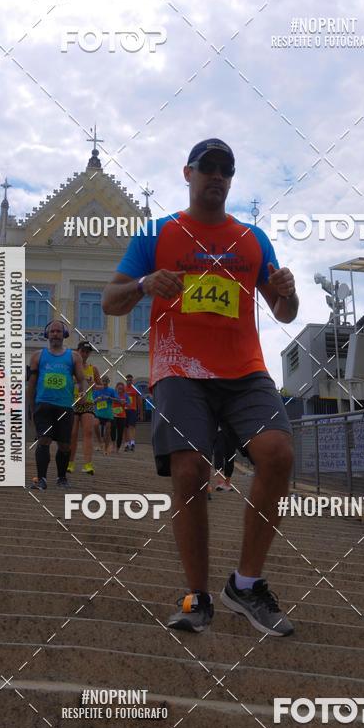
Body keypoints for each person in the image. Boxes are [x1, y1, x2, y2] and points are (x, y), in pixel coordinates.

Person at [102, 138, 298, 637]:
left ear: (231, 179)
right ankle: (197, 595)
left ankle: (246, 585)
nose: (216, 175)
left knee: (277, 454)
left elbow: (283, 312)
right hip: (180, 369)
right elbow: (110, 301)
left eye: (225, 168)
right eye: (206, 167)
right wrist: (146, 284)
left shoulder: (252, 240)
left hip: (244, 369)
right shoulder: (157, 234)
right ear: (187, 174)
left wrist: (289, 295)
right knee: (189, 470)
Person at [26, 320, 85, 491]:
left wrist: (82, 393)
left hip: (65, 406)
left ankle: (62, 477)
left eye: (59, 331)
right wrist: (30, 407)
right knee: (43, 440)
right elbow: (32, 383)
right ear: (47, 334)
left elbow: (82, 379)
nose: (55, 334)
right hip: (43, 405)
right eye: (52, 331)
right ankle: (41, 479)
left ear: (64, 334)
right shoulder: (37, 356)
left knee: (65, 445)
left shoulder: (74, 356)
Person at [68, 341, 101, 475]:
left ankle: (88, 464)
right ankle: (70, 463)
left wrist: (92, 384)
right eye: (82, 351)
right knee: (73, 435)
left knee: (88, 433)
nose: (85, 354)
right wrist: (76, 380)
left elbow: (100, 386)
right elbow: (65, 382)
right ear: (78, 351)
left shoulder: (93, 369)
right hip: (73, 403)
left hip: (88, 403)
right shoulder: (70, 367)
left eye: (87, 352)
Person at [93, 374, 117, 456]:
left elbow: (117, 400)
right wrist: (97, 399)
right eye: (103, 381)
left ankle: (106, 448)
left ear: (108, 382)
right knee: (95, 424)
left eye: (106, 381)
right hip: (98, 413)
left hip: (108, 415)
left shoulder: (111, 390)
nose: (105, 382)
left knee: (107, 431)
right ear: (101, 381)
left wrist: (109, 398)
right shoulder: (97, 390)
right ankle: (100, 441)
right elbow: (92, 401)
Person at [123, 373, 141, 451]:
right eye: (128, 380)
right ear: (126, 380)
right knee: (125, 427)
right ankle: (126, 444)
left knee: (132, 427)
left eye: (130, 380)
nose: (129, 381)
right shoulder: (123, 389)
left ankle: (132, 443)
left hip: (133, 410)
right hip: (124, 410)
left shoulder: (135, 389)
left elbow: (139, 401)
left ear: (132, 381)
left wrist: (140, 412)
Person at [111, 381, 128, 452]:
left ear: (123, 388)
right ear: (116, 388)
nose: (120, 388)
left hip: (122, 416)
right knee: (113, 429)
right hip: (114, 415)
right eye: (119, 387)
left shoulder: (125, 395)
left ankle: (118, 448)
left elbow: (128, 403)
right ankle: (113, 444)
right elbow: (110, 400)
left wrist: (125, 402)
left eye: (121, 387)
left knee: (120, 432)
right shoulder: (113, 394)